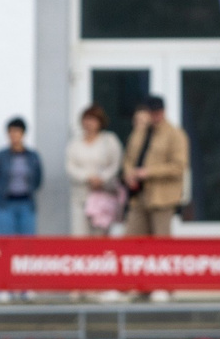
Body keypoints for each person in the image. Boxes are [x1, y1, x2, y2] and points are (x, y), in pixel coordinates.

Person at [121, 95, 189, 235]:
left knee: (161, 241)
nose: (155, 116)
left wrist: (148, 172)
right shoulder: (140, 132)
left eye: (158, 112)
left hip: (162, 197)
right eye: (151, 112)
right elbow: (128, 158)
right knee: (131, 239)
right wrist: (129, 175)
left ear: (163, 111)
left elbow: (179, 167)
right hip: (139, 196)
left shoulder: (175, 135)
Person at [66, 105, 126, 236]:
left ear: (100, 122)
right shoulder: (75, 143)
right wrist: (88, 177)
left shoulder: (109, 140)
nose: (89, 123)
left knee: (100, 235)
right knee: (80, 235)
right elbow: (70, 166)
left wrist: (102, 178)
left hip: (102, 195)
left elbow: (116, 163)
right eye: (86, 119)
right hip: (81, 196)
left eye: (93, 120)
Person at [0, 118, 43, 235]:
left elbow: (38, 179)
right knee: (6, 241)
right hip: (5, 203)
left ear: (23, 134)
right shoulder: (1, 156)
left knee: (27, 243)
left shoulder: (32, 156)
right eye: (11, 132)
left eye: (17, 132)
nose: (14, 135)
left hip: (26, 203)